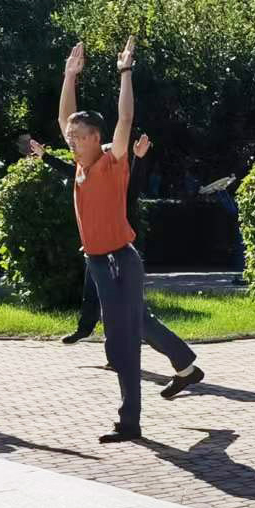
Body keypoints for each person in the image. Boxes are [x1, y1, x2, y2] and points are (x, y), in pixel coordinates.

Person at [21, 134, 206, 399]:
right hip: (101, 257)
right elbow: (71, 170)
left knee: (136, 319)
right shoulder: (90, 179)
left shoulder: (117, 185)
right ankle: (181, 367)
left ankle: (183, 366)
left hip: (117, 257)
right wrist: (46, 157)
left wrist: (139, 159)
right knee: (127, 317)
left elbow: (134, 187)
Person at [58, 36, 166, 443]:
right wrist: (69, 76)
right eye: (70, 136)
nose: (71, 139)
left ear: (95, 137)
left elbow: (125, 119)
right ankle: (180, 370)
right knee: (121, 337)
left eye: (78, 136)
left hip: (122, 259)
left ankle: (130, 421)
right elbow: (66, 117)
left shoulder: (111, 161)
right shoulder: (80, 164)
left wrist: (125, 71)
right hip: (97, 261)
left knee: (124, 340)